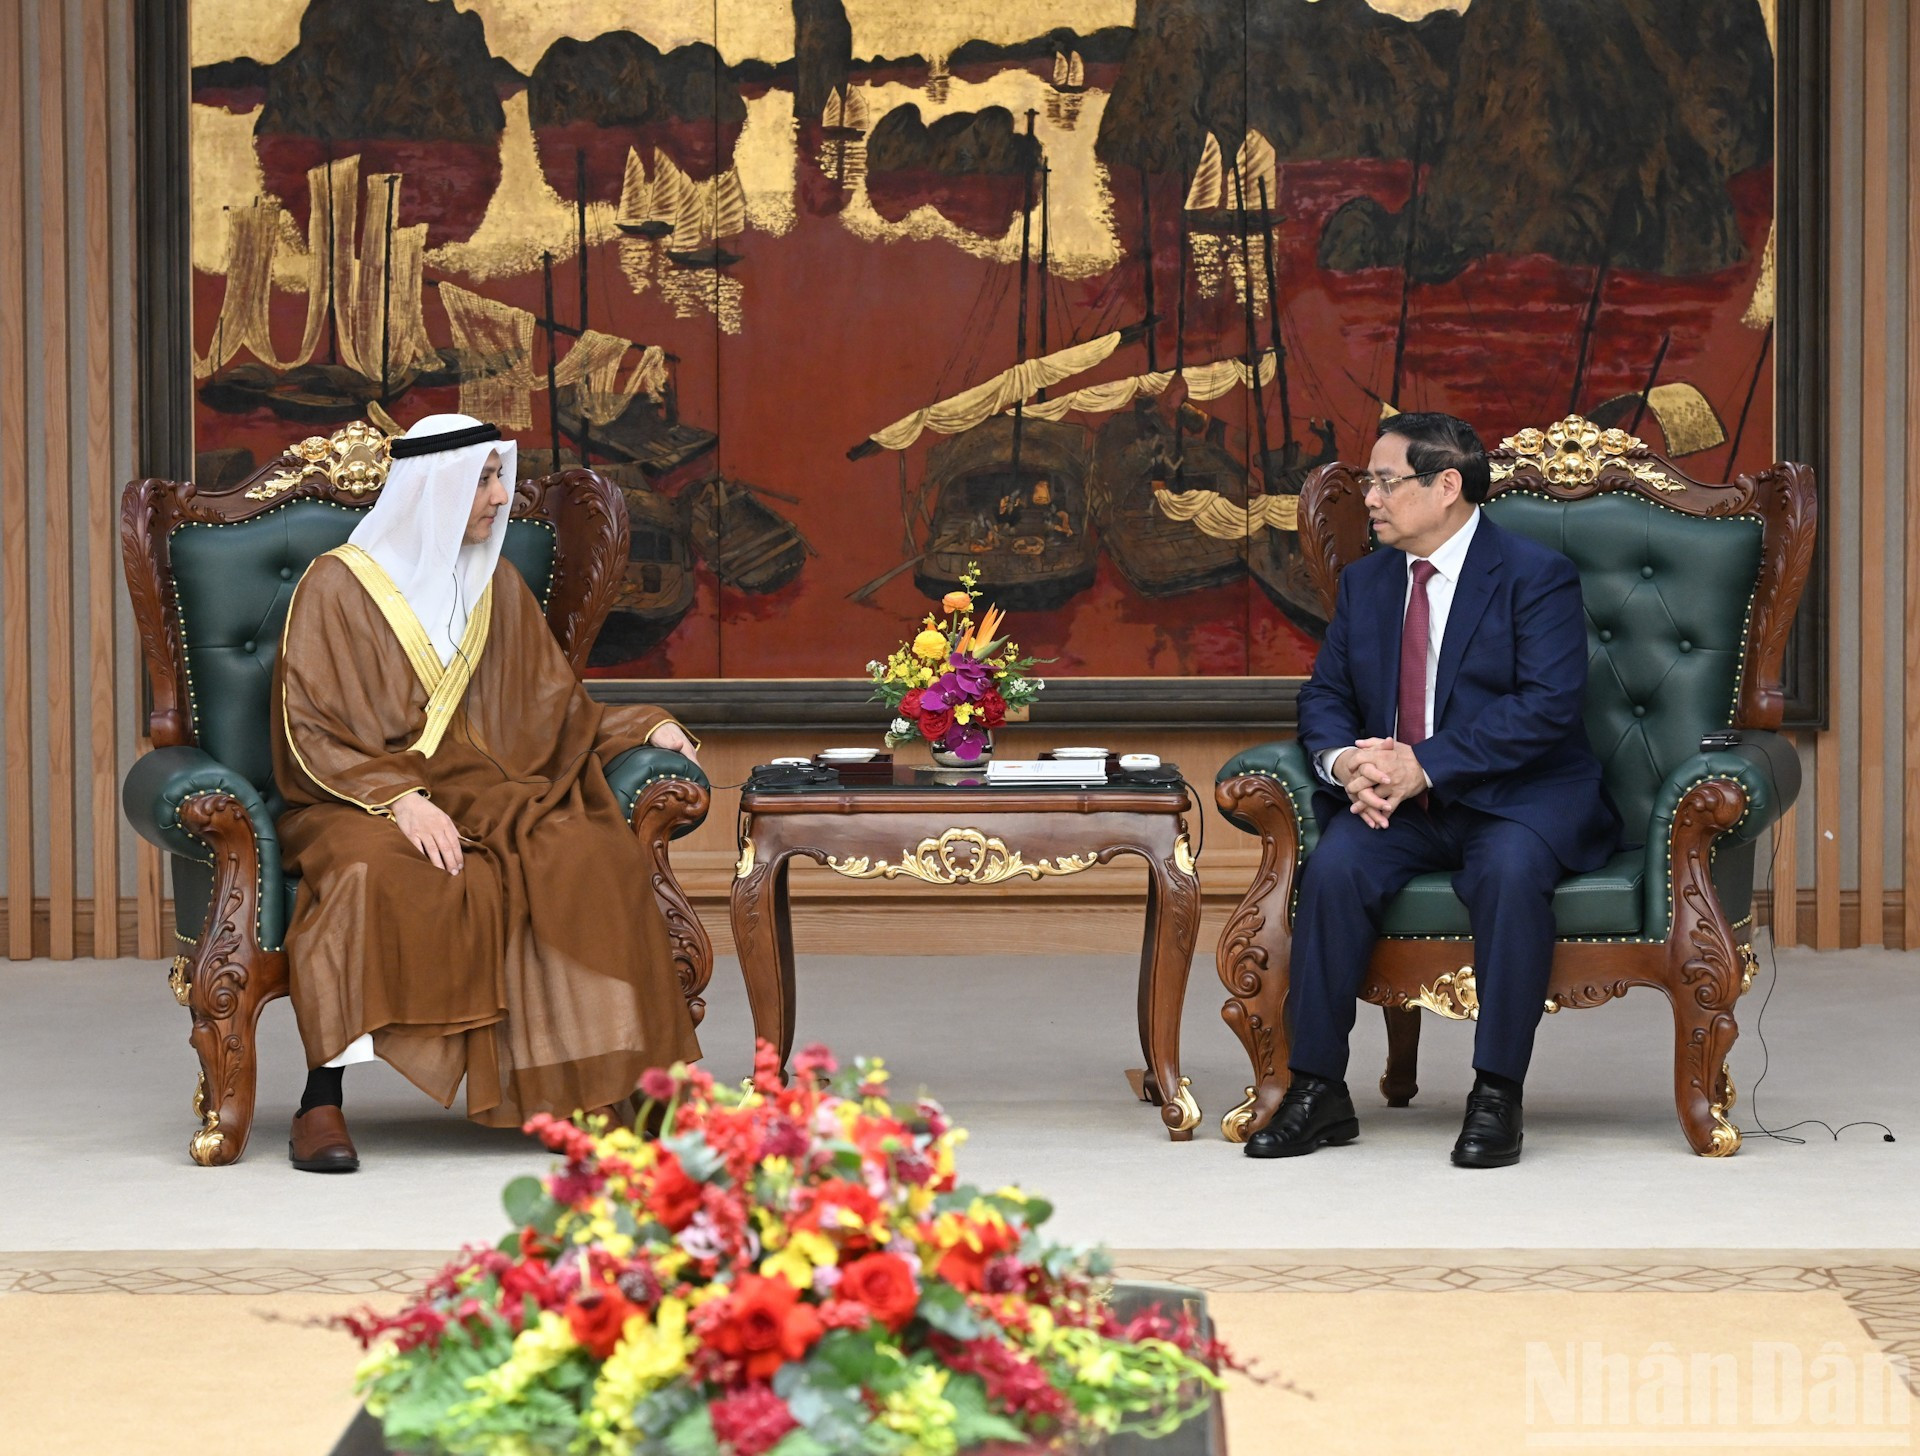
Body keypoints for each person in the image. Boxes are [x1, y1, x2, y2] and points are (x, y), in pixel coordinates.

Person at [271, 414, 703, 1173]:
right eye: (484, 481)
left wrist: (644, 726)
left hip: (487, 788)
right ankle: (320, 1101)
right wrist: (400, 799)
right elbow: (311, 727)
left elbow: (554, 708)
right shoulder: (334, 585)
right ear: (432, 490)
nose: (501, 497)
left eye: (501, 478)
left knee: (586, 852)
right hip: (353, 795)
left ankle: (594, 1086)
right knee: (374, 872)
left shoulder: (495, 581)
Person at [1246, 412, 1620, 1169]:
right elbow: (1326, 695)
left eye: (1386, 482)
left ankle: (1497, 1093)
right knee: (1335, 868)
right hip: (1401, 804)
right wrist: (1347, 766)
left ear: (1447, 485)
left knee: (1508, 872)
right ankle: (1318, 1089)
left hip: (1517, 797)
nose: (1370, 499)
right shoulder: (1369, 582)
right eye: (1369, 483)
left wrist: (1425, 763)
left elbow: (1547, 706)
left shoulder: (1534, 574)